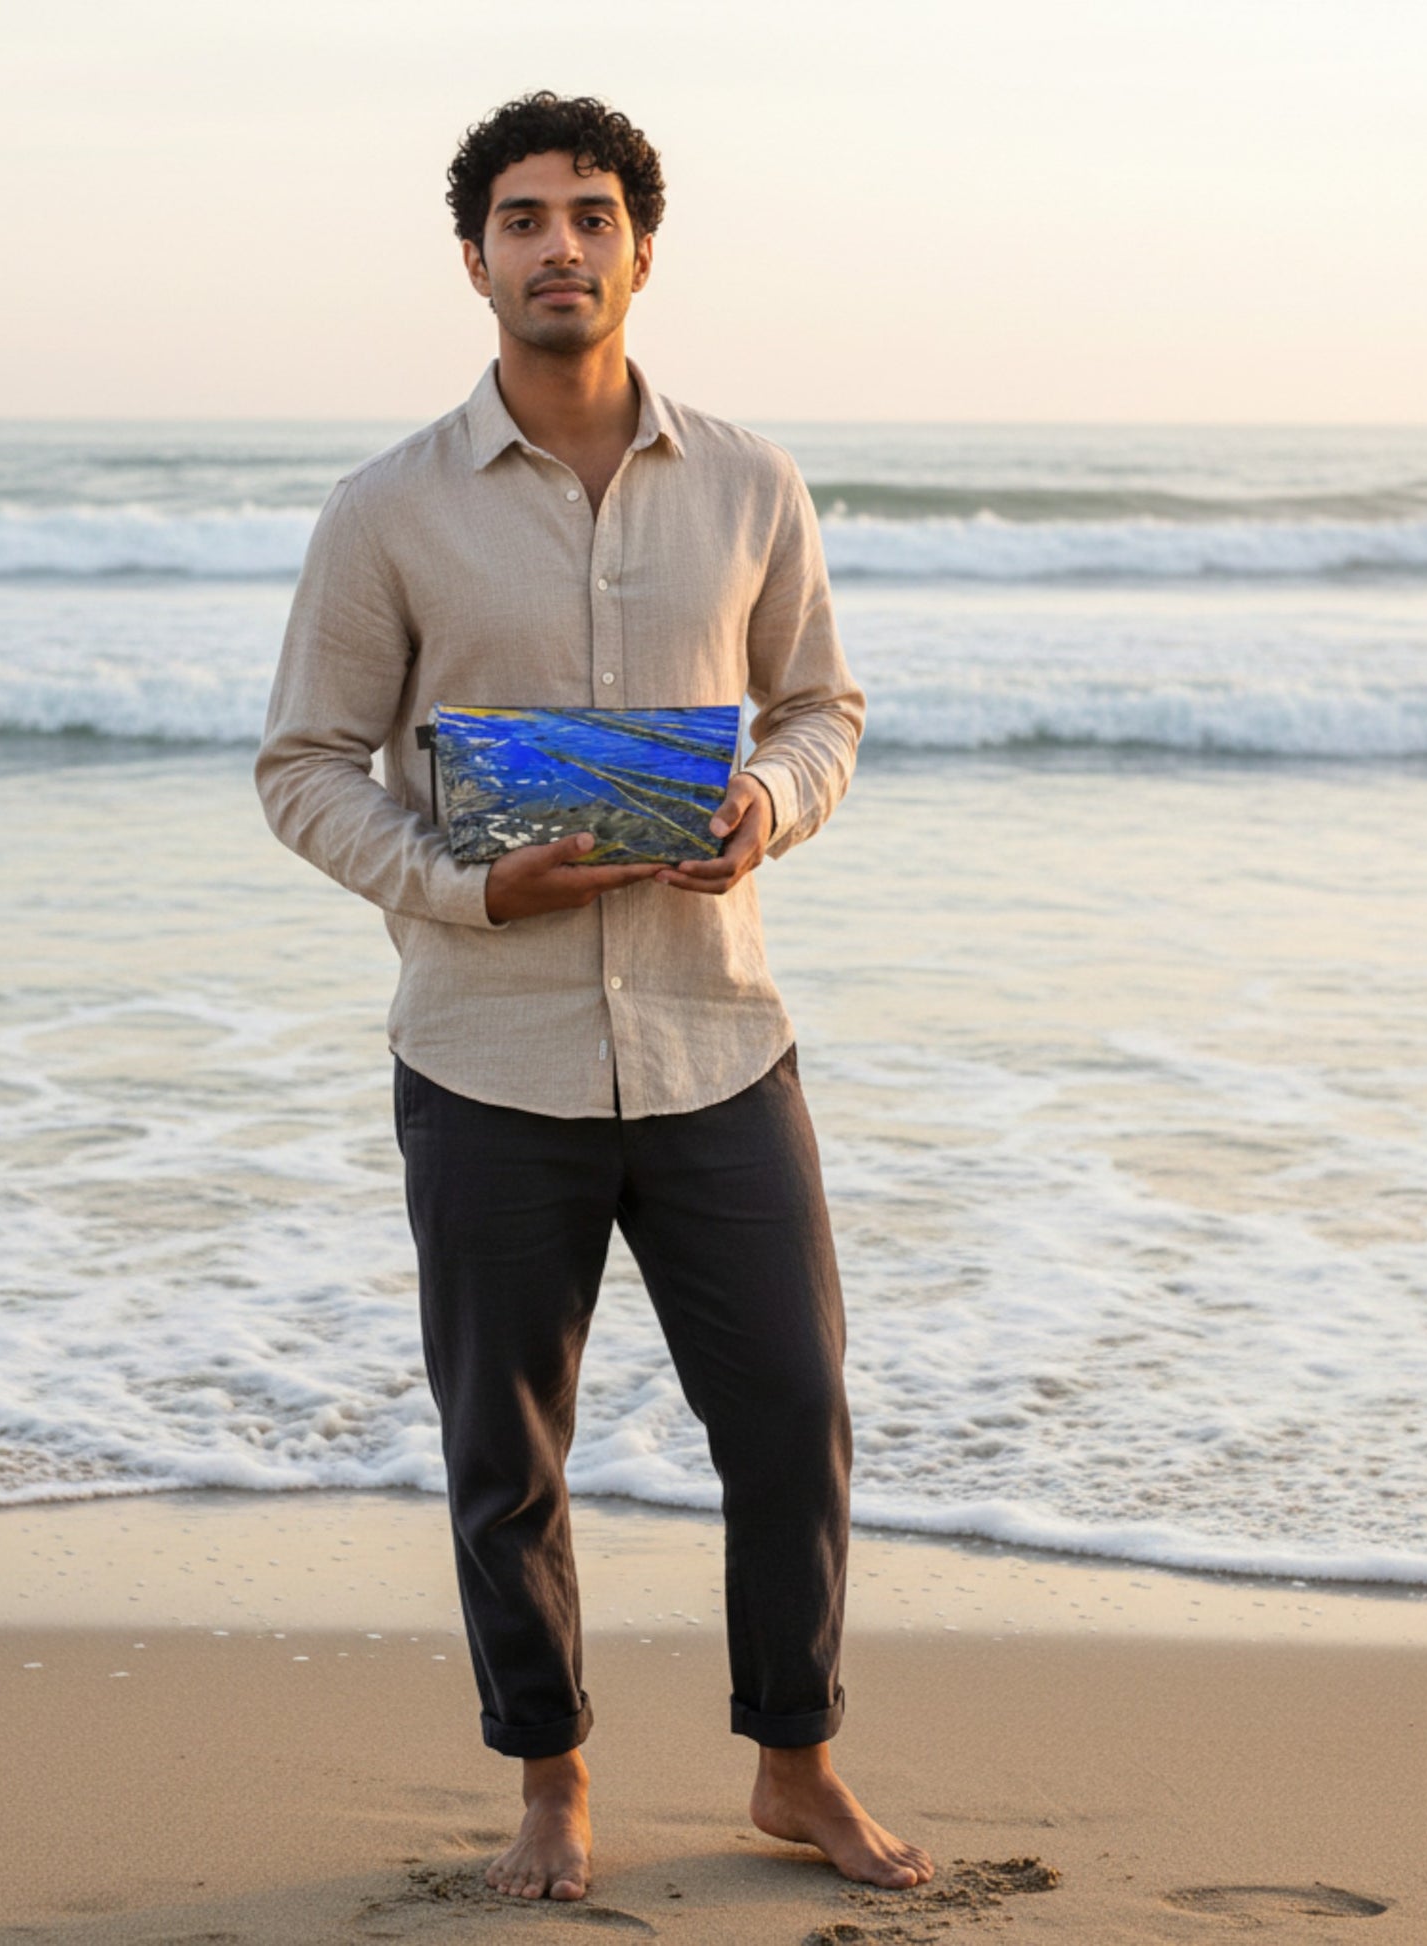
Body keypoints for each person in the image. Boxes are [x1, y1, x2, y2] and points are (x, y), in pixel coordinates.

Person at [254, 90, 932, 1904]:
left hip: (720, 1036)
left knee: (789, 1410)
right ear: (472, 257)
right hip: (487, 1053)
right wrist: (470, 885)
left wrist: (765, 808)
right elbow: (307, 764)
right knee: (507, 1452)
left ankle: (794, 1762)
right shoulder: (386, 510)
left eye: (594, 215)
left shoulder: (750, 483)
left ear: (643, 248)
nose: (562, 245)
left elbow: (820, 710)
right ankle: (548, 1776)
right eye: (525, 217)